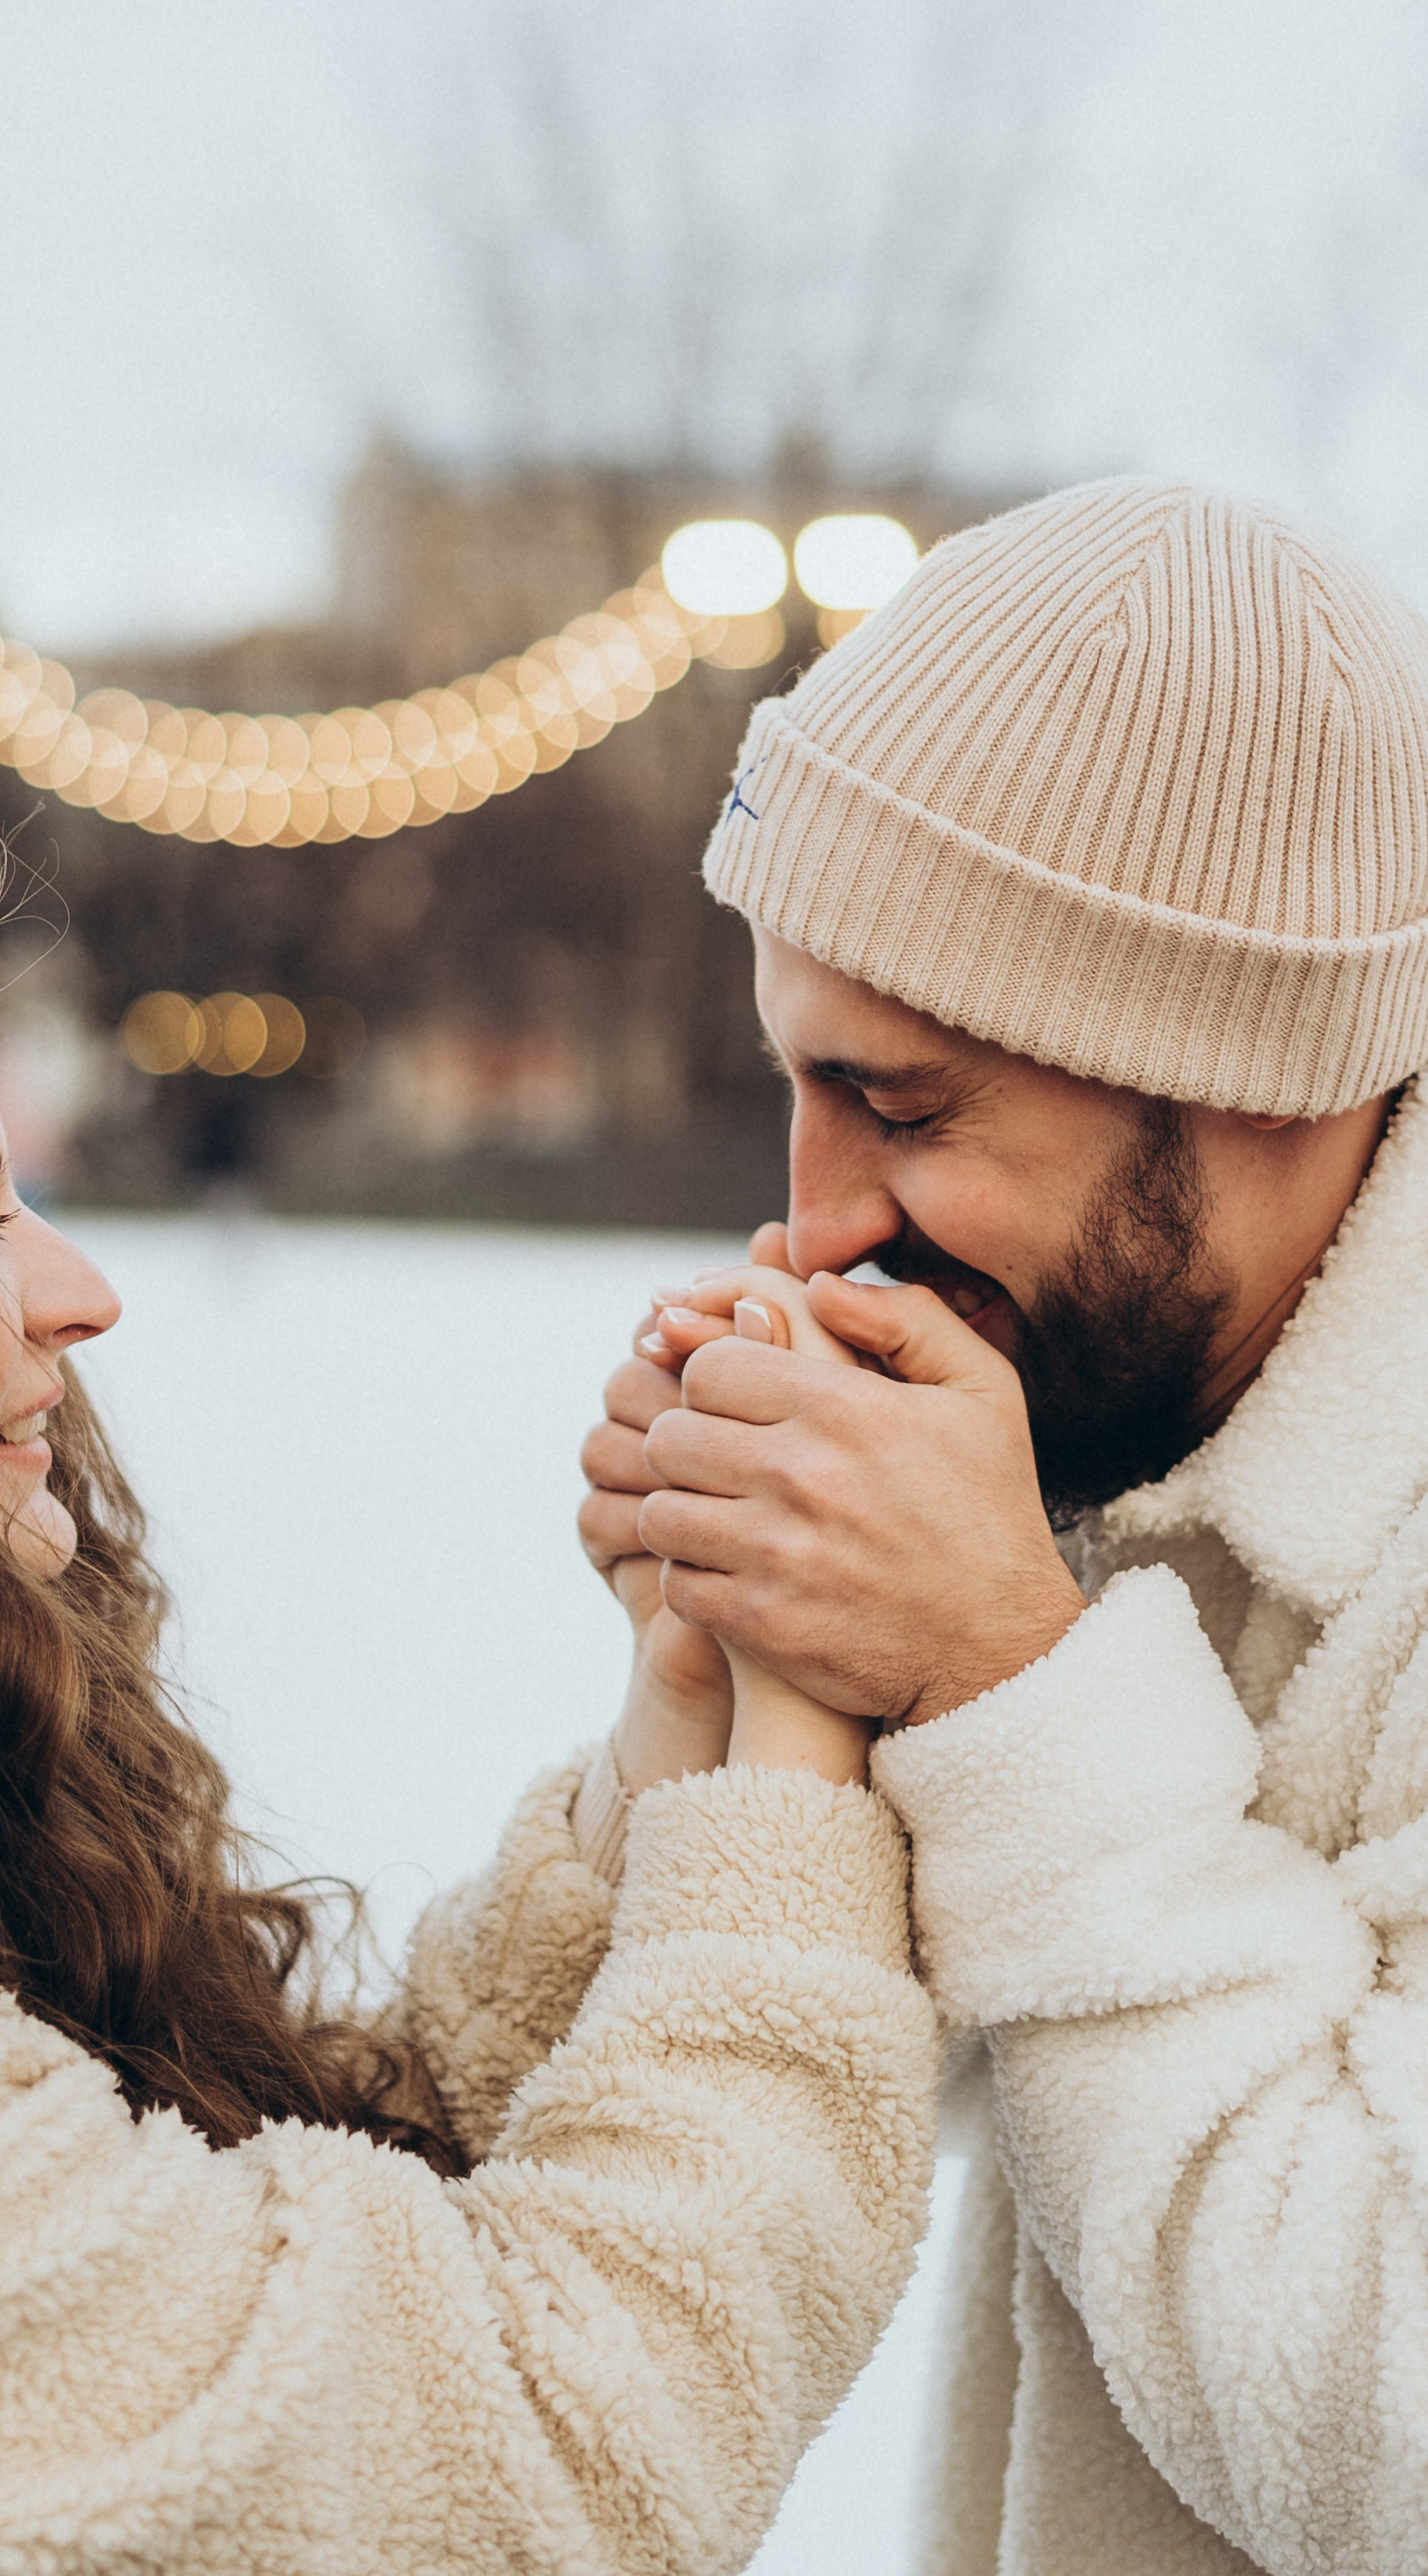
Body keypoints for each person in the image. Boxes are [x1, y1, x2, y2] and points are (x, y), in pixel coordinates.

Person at [0, 830, 936, 2575]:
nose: (82, 1291)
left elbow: (275, 2239)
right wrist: (802, 1758)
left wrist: (677, 1722)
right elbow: (527, 2449)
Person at [581, 476, 1428, 2575]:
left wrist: (1001, 1679)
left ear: (1251, 1065)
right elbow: (897, 2118)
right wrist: (745, 1695)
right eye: (799, 1081)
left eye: (908, 1102)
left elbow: (1390, 2419)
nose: (819, 1218)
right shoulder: (1146, 1405)